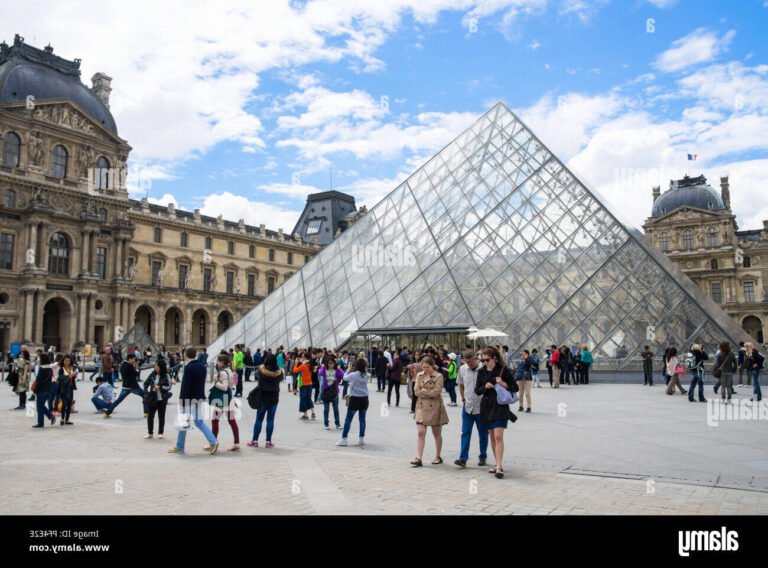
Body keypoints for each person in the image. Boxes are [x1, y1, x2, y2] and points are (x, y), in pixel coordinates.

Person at [475, 346, 517, 479]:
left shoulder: (503, 370)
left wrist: (502, 383)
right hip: (487, 406)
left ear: (494, 358)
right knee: (492, 436)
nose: (485, 362)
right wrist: (485, 387)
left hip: (500, 406)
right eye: (483, 360)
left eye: (487, 360)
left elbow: (515, 387)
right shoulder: (481, 372)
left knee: (498, 436)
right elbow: (477, 390)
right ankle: (497, 463)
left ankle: (499, 466)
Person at [169, 348, 220, 455]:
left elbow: (185, 386)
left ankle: (179, 447)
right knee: (198, 421)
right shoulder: (202, 367)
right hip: (199, 397)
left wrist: (182, 400)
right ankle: (213, 441)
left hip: (189, 399)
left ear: (186, 355)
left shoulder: (188, 367)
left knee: (183, 421)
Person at [409, 357, 449, 466]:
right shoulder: (419, 375)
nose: (425, 369)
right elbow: (416, 391)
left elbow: (436, 392)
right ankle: (419, 457)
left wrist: (423, 391)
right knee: (420, 432)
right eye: (424, 367)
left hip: (434, 407)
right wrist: (426, 391)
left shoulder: (439, 376)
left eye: (427, 367)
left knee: (436, 433)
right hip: (421, 406)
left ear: (432, 366)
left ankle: (438, 456)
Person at [454, 350, 488, 468]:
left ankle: (483, 456)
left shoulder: (484, 369)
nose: (469, 364)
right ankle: (463, 458)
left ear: (476, 359)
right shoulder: (463, 369)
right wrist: (463, 399)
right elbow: (461, 385)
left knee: (483, 433)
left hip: (481, 407)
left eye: (471, 362)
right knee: (465, 432)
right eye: (466, 362)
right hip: (467, 406)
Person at [248, 353, 283, 447]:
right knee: (270, 420)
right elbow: (281, 378)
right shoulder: (279, 372)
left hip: (262, 398)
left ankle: (254, 441)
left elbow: (256, 375)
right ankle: (268, 442)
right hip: (274, 399)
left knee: (259, 419)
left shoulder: (261, 370)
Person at [207, 355, 239, 451]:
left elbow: (224, 387)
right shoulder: (229, 370)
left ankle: (213, 442)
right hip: (228, 398)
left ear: (223, 362)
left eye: (219, 361)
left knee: (215, 421)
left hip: (222, 399)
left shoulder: (224, 372)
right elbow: (232, 384)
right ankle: (236, 443)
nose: (217, 363)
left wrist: (216, 382)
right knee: (232, 421)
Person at [336, 357, 369, 447]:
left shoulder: (353, 375)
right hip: (364, 399)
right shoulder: (367, 375)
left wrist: (348, 369)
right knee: (362, 419)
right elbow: (364, 372)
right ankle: (361, 438)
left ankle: (344, 439)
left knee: (348, 419)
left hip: (355, 399)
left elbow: (344, 377)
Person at [105, 353, 147, 418]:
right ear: (130, 359)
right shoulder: (129, 366)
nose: (134, 360)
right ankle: (146, 413)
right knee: (145, 396)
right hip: (133, 386)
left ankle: (108, 412)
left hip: (125, 386)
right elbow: (137, 373)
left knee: (119, 400)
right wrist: (136, 365)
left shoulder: (123, 364)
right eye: (134, 359)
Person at [143, 359, 172, 439]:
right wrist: (147, 393)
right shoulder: (153, 374)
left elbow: (169, 386)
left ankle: (160, 432)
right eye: (155, 365)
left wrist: (160, 387)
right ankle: (150, 433)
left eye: (157, 365)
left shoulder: (167, 375)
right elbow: (145, 384)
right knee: (150, 416)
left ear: (161, 367)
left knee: (161, 416)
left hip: (162, 399)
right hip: (153, 398)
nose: (155, 366)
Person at [32, 353, 56, 428]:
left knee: (39, 407)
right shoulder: (50, 369)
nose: (38, 360)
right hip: (48, 390)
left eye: (39, 358)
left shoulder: (42, 369)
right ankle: (51, 416)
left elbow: (38, 381)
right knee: (41, 406)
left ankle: (40, 423)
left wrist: (35, 390)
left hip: (41, 390)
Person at [319, 356, 343, 430]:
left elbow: (343, 375)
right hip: (326, 391)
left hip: (334, 391)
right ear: (327, 363)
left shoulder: (336, 370)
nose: (331, 365)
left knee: (336, 409)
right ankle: (326, 424)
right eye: (329, 363)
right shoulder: (324, 370)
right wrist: (322, 367)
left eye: (332, 363)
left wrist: (339, 368)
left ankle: (337, 423)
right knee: (326, 409)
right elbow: (319, 373)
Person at [57, 355, 78, 425]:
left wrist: (74, 376)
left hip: (70, 388)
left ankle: (67, 419)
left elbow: (71, 378)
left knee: (69, 403)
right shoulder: (61, 369)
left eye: (68, 361)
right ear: (63, 361)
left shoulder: (70, 368)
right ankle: (62, 418)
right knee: (64, 403)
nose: (67, 362)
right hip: (63, 388)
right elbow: (60, 378)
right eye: (65, 360)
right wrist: (70, 376)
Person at [294, 354, 316, 420]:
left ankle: (305, 415)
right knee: (309, 399)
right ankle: (313, 413)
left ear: (305, 358)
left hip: (304, 385)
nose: (301, 358)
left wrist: (296, 363)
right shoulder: (310, 365)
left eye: (302, 357)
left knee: (303, 399)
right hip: (309, 384)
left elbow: (294, 370)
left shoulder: (303, 366)